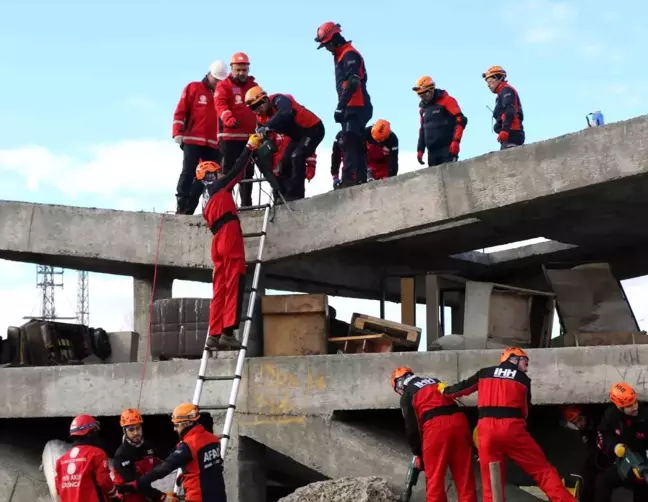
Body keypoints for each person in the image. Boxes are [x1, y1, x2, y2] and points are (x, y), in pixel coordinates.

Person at [441, 347, 577, 502]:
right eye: (525, 361)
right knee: (542, 470)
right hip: (512, 429)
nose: (527, 365)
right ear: (513, 358)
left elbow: (459, 390)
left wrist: (444, 390)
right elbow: (525, 412)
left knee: (491, 483)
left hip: (486, 431)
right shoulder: (523, 380)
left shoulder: (484, 373)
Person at [196, 133, 263, 351]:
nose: (220, 173)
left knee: (220, 288)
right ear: (211, 175)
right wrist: (250, 147)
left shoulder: (204, 199)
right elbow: (237, 171)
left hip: (218, 241)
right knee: (234, 282)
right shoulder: (218, 187)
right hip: (229, 235)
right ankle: (228, 333)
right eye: (216, 172)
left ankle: (213, 335)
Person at [391, 366, 477, 502]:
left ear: (399, 385)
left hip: (436, 429)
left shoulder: (408, 395)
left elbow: (413, 429)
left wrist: (419, 454)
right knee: (465, 477)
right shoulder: (434, 381)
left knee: (435, 480)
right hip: (460, 422)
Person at [117, 403, 226, 502]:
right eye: (131, 430)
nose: (174, 429)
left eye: (176, 425)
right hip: (219, 496)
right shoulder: (213, 439)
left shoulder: (188, 445)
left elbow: (164, 468)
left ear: (187, 423)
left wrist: (139, 485)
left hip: (198, 497)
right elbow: (211, 466)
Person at [315, 22, 373, 187]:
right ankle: (360, 179)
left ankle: (349, 181)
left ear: (333, 39)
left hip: (356, 105)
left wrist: (341, 106)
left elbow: (353, 82)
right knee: (357, 142)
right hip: (354, 105)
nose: (326, 48)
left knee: (349, 141)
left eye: (326, 45)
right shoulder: (341, 54)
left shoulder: (349, 55)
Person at [244, 86, 324, 201]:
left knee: (297, 155)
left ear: (265, 100)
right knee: (284, 163)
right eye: (253, 109)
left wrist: (267, 127)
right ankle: (286, 195)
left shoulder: (278, 100)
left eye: (258, 106)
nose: (257, 111)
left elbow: (286, 112)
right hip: (298, 136)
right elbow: (263, 135)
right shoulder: (261, 119)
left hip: (313, 129)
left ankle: (296, 195)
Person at [172, 60, 227, 215]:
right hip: (192, 139)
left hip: (213, 143)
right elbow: (180, 111)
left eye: (220, 81)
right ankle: (181, 205)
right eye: (216, 80)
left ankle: (190, 207)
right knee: (188, 171)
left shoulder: (222, 94)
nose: (217, 83)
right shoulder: (194, 88)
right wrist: (178, 131)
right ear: (209, 75)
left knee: (208, 176)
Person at [214, 52, 260, 208]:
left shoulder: (254, 87)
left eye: (244, 70)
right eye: (238, 69)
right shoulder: (223, 86)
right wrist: (228, 119)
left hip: (249, 138)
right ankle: (225, 204)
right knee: (229, 173)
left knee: (248, 172)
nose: (241, 73)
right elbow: (220, 105)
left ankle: (246, 204)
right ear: (232, 69)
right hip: (229, 137)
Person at [593, 382, 648, 502]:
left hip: (643, 465)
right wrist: (614, 446)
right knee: (603, 481)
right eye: (629, 406)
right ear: (619, 407)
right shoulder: (611, 416)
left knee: (643, 493)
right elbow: (603, 433)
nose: (634, 407)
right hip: (623, 461)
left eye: (635, 402)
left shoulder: (646, 417)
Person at [55, 415, 121, 501]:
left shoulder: (61, 460)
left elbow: (58, 488)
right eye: (96, 431)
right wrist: (114, 496)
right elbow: (104, 481)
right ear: (90, 433)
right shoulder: (97, 454)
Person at [112, 409, 166, 502]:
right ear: (124, 431)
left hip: (145, 494)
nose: (136, 433)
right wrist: (160, 496)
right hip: (128, 497)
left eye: (138, 428)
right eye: (131, 429)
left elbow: (167, 462)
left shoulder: (148, 446)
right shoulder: (121, 455)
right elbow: (135, 483)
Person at [413, 76, 467, 167]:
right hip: (432, 152)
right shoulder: (423, 109)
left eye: (424, 94)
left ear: (431, 90)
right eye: (420, 95)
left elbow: (461, 120)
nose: (423, 98)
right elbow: (422, 130)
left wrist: (456, 141)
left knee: (450, 177)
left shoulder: (447, 100)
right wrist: (420, 149)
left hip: (447, 148)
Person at [561, 405, 609, 502]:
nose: (579, 425)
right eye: (575, 423)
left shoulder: (600, 419)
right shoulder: (581, 432)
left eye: (579, 420)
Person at [331, 120, 398, 186]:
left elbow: (393, 162)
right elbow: (336, 157)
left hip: (379, 165)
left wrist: (391, 179)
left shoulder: (392, 140)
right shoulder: (342, 141)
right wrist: (335, 177)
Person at [482, 66, 524, 149]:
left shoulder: (507, 90)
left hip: (513, 133)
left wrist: (505, 130)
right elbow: (503, 115)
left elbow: (510, 109)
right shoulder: (499, 95)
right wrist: (498, 125)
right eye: (487, 83)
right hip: (508, 134)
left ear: (499, 79)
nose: (488, 85)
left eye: (490, 81)